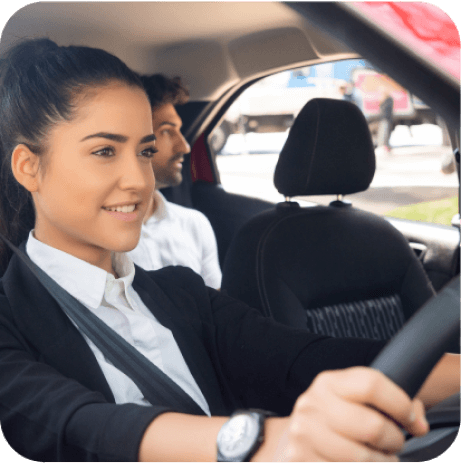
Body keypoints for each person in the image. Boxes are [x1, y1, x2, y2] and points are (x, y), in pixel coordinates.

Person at [0, 38, 459, 463]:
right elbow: (79, 423)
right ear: (29, 168)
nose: (140, 181)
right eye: (104, 152)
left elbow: (303, 359)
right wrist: (263, 441)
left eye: (143, 152)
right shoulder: (10, 317)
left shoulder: (181, 292)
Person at [128, 74, 221, 289]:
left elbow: (217, 311)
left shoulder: (195, 224)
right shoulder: (95, 238)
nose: (185, 147)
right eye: (167, 131)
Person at [376, 87, 394, 154]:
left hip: (386, 118)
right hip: (384, 118)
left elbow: (386, 110)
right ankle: (384, 146)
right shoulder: (385, 100)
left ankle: (384, 146)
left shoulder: (388, 100)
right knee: (383, 132)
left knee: (385, 133)